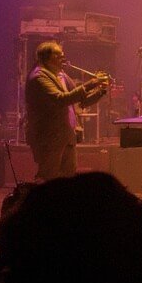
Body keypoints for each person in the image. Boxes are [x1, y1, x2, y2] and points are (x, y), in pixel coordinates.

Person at [24, 41, 108, 181]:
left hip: (65, 136)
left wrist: (101, 90)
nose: (63, 58)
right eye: (58, 55)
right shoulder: (39, 77)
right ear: (46, 58)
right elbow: (60, 99)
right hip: (49, 137)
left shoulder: (61, 75)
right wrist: (91, 83)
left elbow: (81, 99)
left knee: (67, 179)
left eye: (63, 54)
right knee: (48, 177)